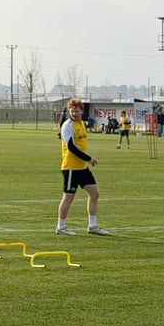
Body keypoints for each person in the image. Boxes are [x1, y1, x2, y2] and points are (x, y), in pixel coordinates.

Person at [56, 98, 110, 236]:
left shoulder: (81, 124)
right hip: (71, 168)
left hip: (82, 168)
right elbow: (71, 147)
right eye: (72, 111)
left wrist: (86, 161)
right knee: (68, 198)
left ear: (82, 111)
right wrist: (89, 158)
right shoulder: (67, 126)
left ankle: (93, 225)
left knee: (95, 194)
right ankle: (61, 227)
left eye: (77, 110)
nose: (74, 113)